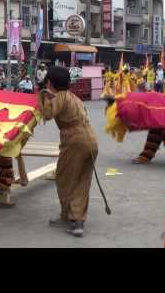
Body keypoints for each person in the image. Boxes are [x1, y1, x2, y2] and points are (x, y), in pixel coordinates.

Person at [38, 66, 98, 238]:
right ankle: (75, 219)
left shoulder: (59, 97)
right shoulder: (73, 97)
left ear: (50, 82)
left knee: (65, 179)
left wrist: (42, 95)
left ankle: (72, 218)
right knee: (82, 180)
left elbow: (47, 113)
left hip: (74, 140)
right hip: (90, 139)